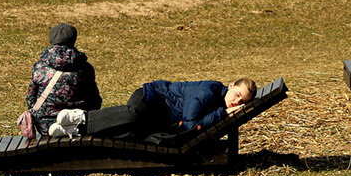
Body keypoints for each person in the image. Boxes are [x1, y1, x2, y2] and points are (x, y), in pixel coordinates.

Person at [48, 77, 257, 139]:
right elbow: (191, 123)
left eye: (242, 102)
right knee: (134, 115)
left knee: (133, 132)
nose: (237, 102)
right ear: (230, 86)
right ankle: (82, 118)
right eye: (237, 95)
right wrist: (221, 114)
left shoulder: (219, 106)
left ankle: (73, 130)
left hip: (161, 116)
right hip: (151, 98)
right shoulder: (209, 91)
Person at [25, 23, 103, 135]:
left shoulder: (39, 66)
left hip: (46, 124)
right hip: (78, 122)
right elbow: (94, 100)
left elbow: (31, 97)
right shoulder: (85, 67)